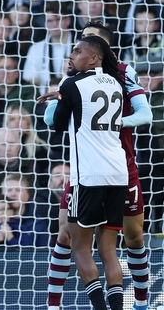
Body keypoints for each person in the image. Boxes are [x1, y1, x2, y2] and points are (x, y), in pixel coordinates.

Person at [43, 22, 153, 310]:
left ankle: (139, 304)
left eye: (83, 45)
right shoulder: (85, 77)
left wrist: (110, 124)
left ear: (100, 50)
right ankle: (53, 305)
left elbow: (145, 114)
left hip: (108, 166)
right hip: (106, 169)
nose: (75, 50)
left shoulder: (123, 73)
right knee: (67, 235)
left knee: (132, 238)